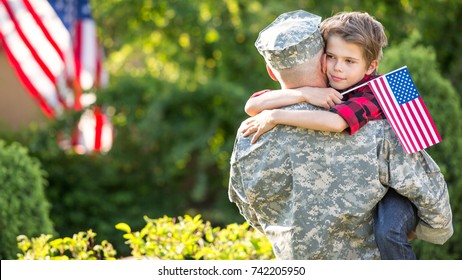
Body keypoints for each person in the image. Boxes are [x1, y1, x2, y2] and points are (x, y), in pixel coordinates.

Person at [228, 10, 453, 260]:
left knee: (388, 232)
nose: (337, 68)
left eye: (349, 61)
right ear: (321, 58)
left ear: (371, 66)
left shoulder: (370, 93)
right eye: (331, 57)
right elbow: (252, 105)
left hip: (394, 196)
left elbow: (336, 122)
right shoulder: (331, 90)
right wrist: (303, 94)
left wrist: (275, 116)